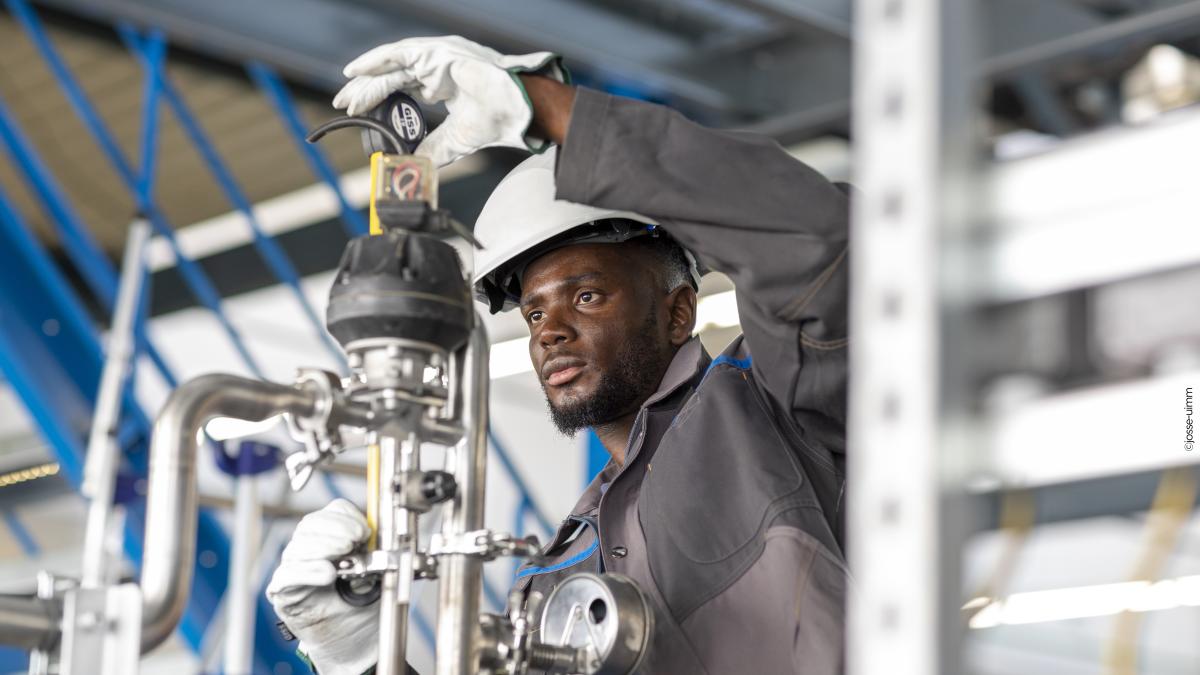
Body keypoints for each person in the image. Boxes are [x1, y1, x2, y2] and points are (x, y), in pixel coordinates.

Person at [268, 35, 850, 675]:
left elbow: (820, 243)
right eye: (536, 312)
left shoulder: (777, 406)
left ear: (680, 311)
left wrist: (547, 110)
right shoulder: (554, 578)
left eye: (589, 296)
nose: (549, 332)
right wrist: (360, 659)